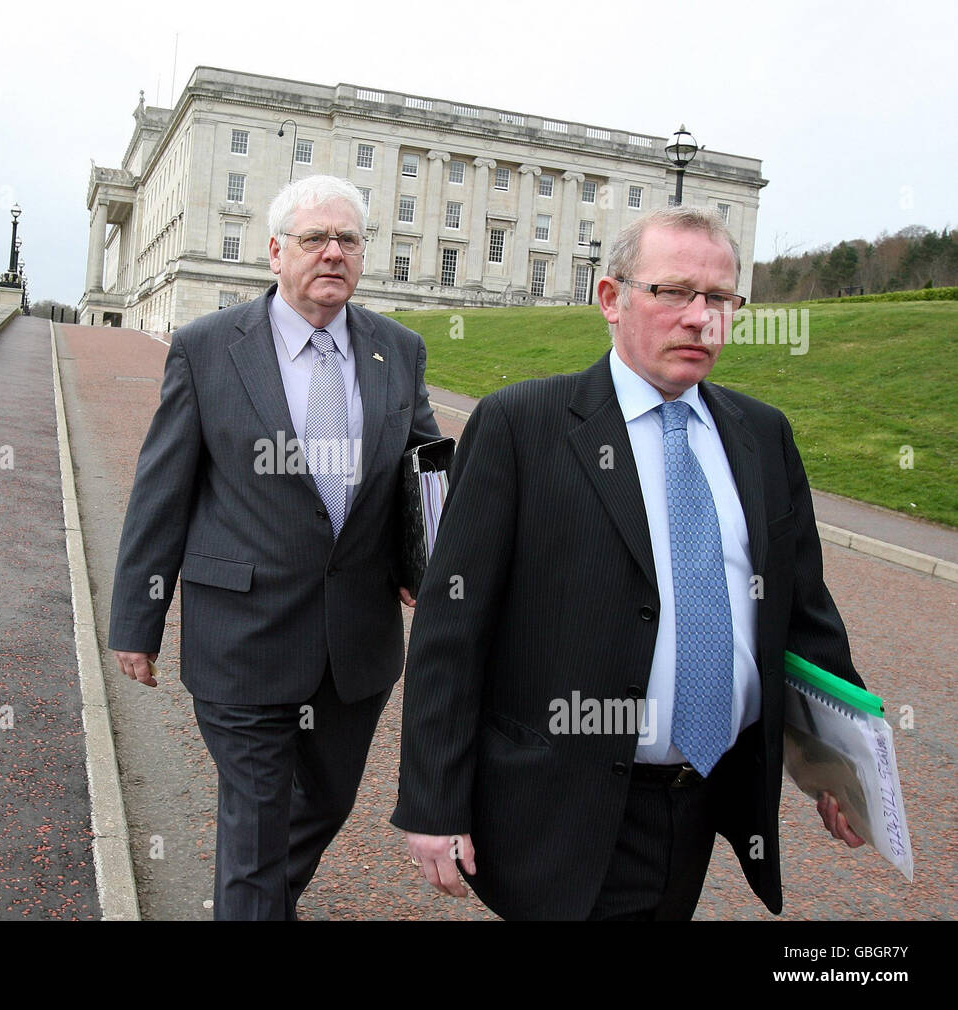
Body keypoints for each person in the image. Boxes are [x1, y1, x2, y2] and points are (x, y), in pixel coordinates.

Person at [392, 206, 866, 920]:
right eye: (673, 292)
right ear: (611, 299)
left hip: (703, 797)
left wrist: (842, 764)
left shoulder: (763, 436)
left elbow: (804, 615)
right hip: (561, 800)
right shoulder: (522, 425)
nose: (700, 318)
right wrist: (433, 798)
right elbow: (451, 630)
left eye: (720, 298)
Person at [109, 175, 441, 919]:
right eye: (314, 238)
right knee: (255, 825)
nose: (333, 253)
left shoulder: (399, 349)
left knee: (321, 805)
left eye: (348, 240)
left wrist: (428, 566)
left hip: (356, 640)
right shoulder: (206, 349)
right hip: (244, 636)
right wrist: (139, 617)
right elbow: (162, 492)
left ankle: (251, 903)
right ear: (273, 252)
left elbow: (422, 470)